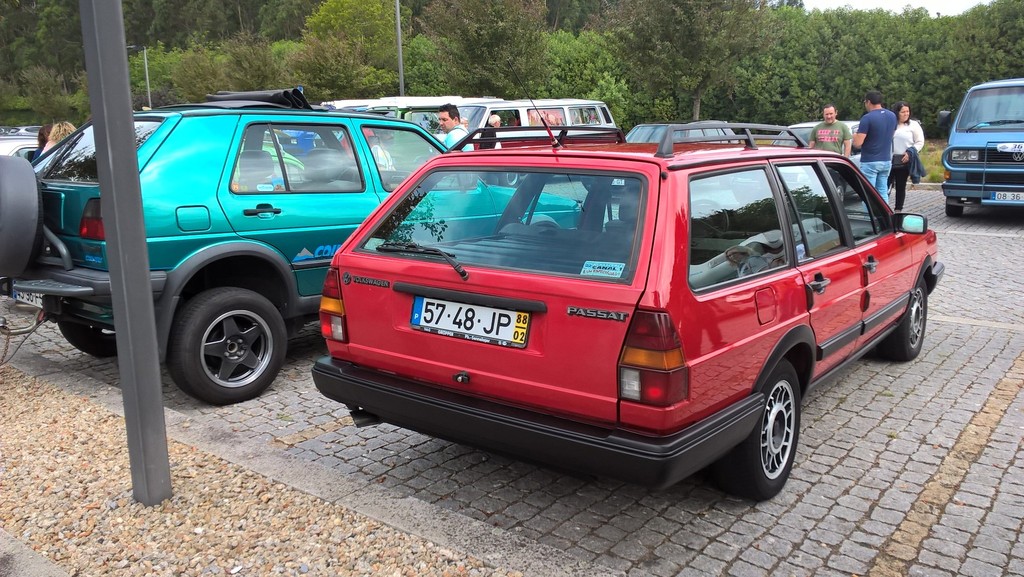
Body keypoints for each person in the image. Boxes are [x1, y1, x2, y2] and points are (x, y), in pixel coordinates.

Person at [853, 90, 897, 194]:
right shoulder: (892, 116)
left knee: (868, 194)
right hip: (886, 160)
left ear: (868, 102)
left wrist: (854, 136)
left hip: (870, 161)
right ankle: (884, 210)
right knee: (882, 192)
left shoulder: (867, 118)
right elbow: (892, 134)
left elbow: (858, 143)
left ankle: (870, 211)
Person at [887, 101, 925, 211]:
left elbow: (919, 142)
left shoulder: (913, 125)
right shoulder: (891, 124)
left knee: (900, 186)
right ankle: (884, 208)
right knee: (885, 186)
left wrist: (910, 152)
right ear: (897, 112)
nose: (906, 114)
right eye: (903, 112)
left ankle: (898, 210)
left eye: (907, 111)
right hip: (888, 160)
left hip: (903, 160)